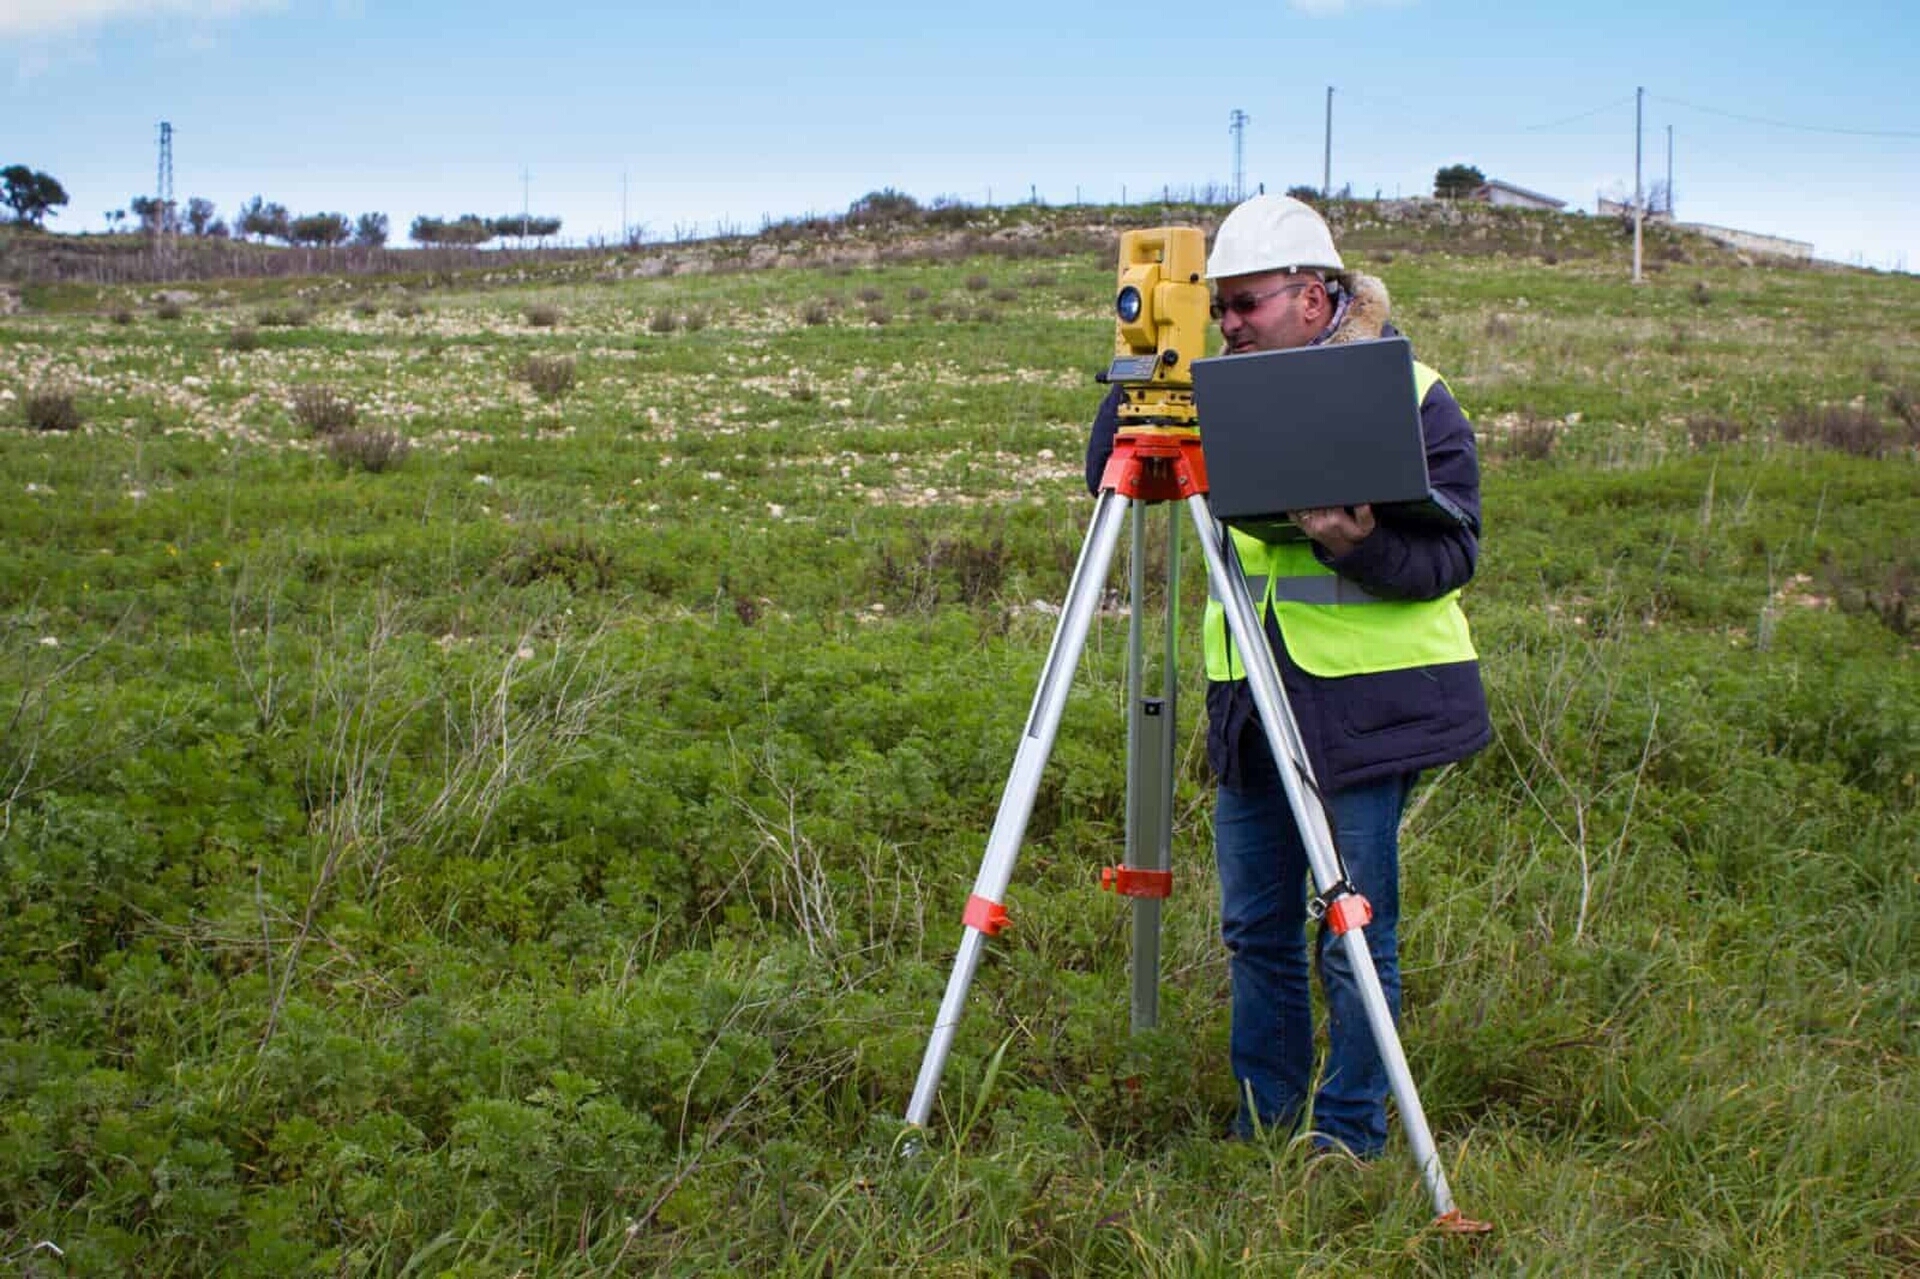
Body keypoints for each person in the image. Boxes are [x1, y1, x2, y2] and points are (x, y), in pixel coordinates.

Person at [1084, 194, 1491, 1157]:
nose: (1229, 325)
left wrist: (1361, 546)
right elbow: (1109, 469)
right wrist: (1149, 365)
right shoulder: (1210, 390)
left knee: (1350, 930)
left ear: (1314, 296)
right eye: (1216, 305)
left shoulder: (1412, 391)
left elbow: (1455, 553)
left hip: (1371, 704)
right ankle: (1262, 1119)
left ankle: (1347, 1133)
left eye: (1246, 305)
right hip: (1251, 701)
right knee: (1254, 924)